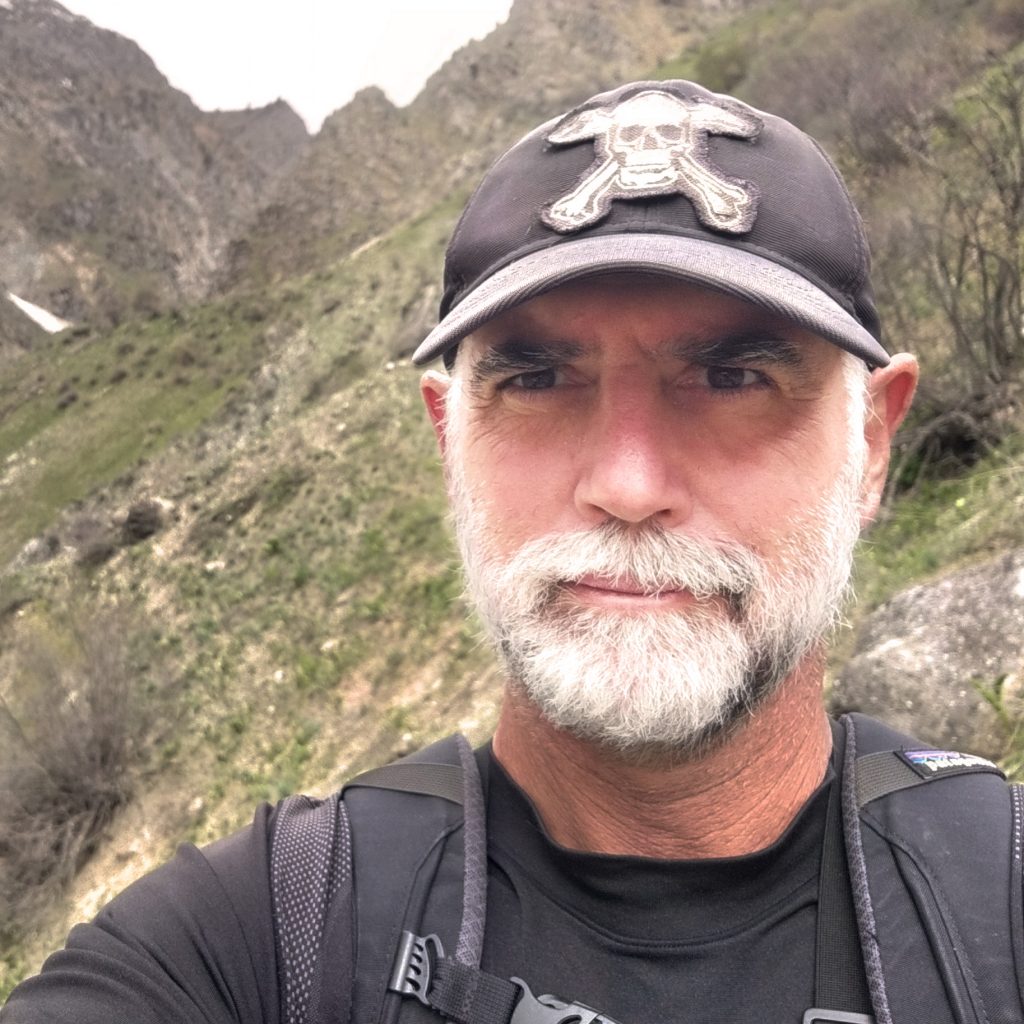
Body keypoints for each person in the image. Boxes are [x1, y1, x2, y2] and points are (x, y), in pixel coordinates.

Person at [5, 79, 1013, 1024]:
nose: (627, 485)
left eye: (734, 376)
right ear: (449, 440)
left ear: (871, 445)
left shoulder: (999, 901)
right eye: (534, 379)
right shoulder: (258, 940)